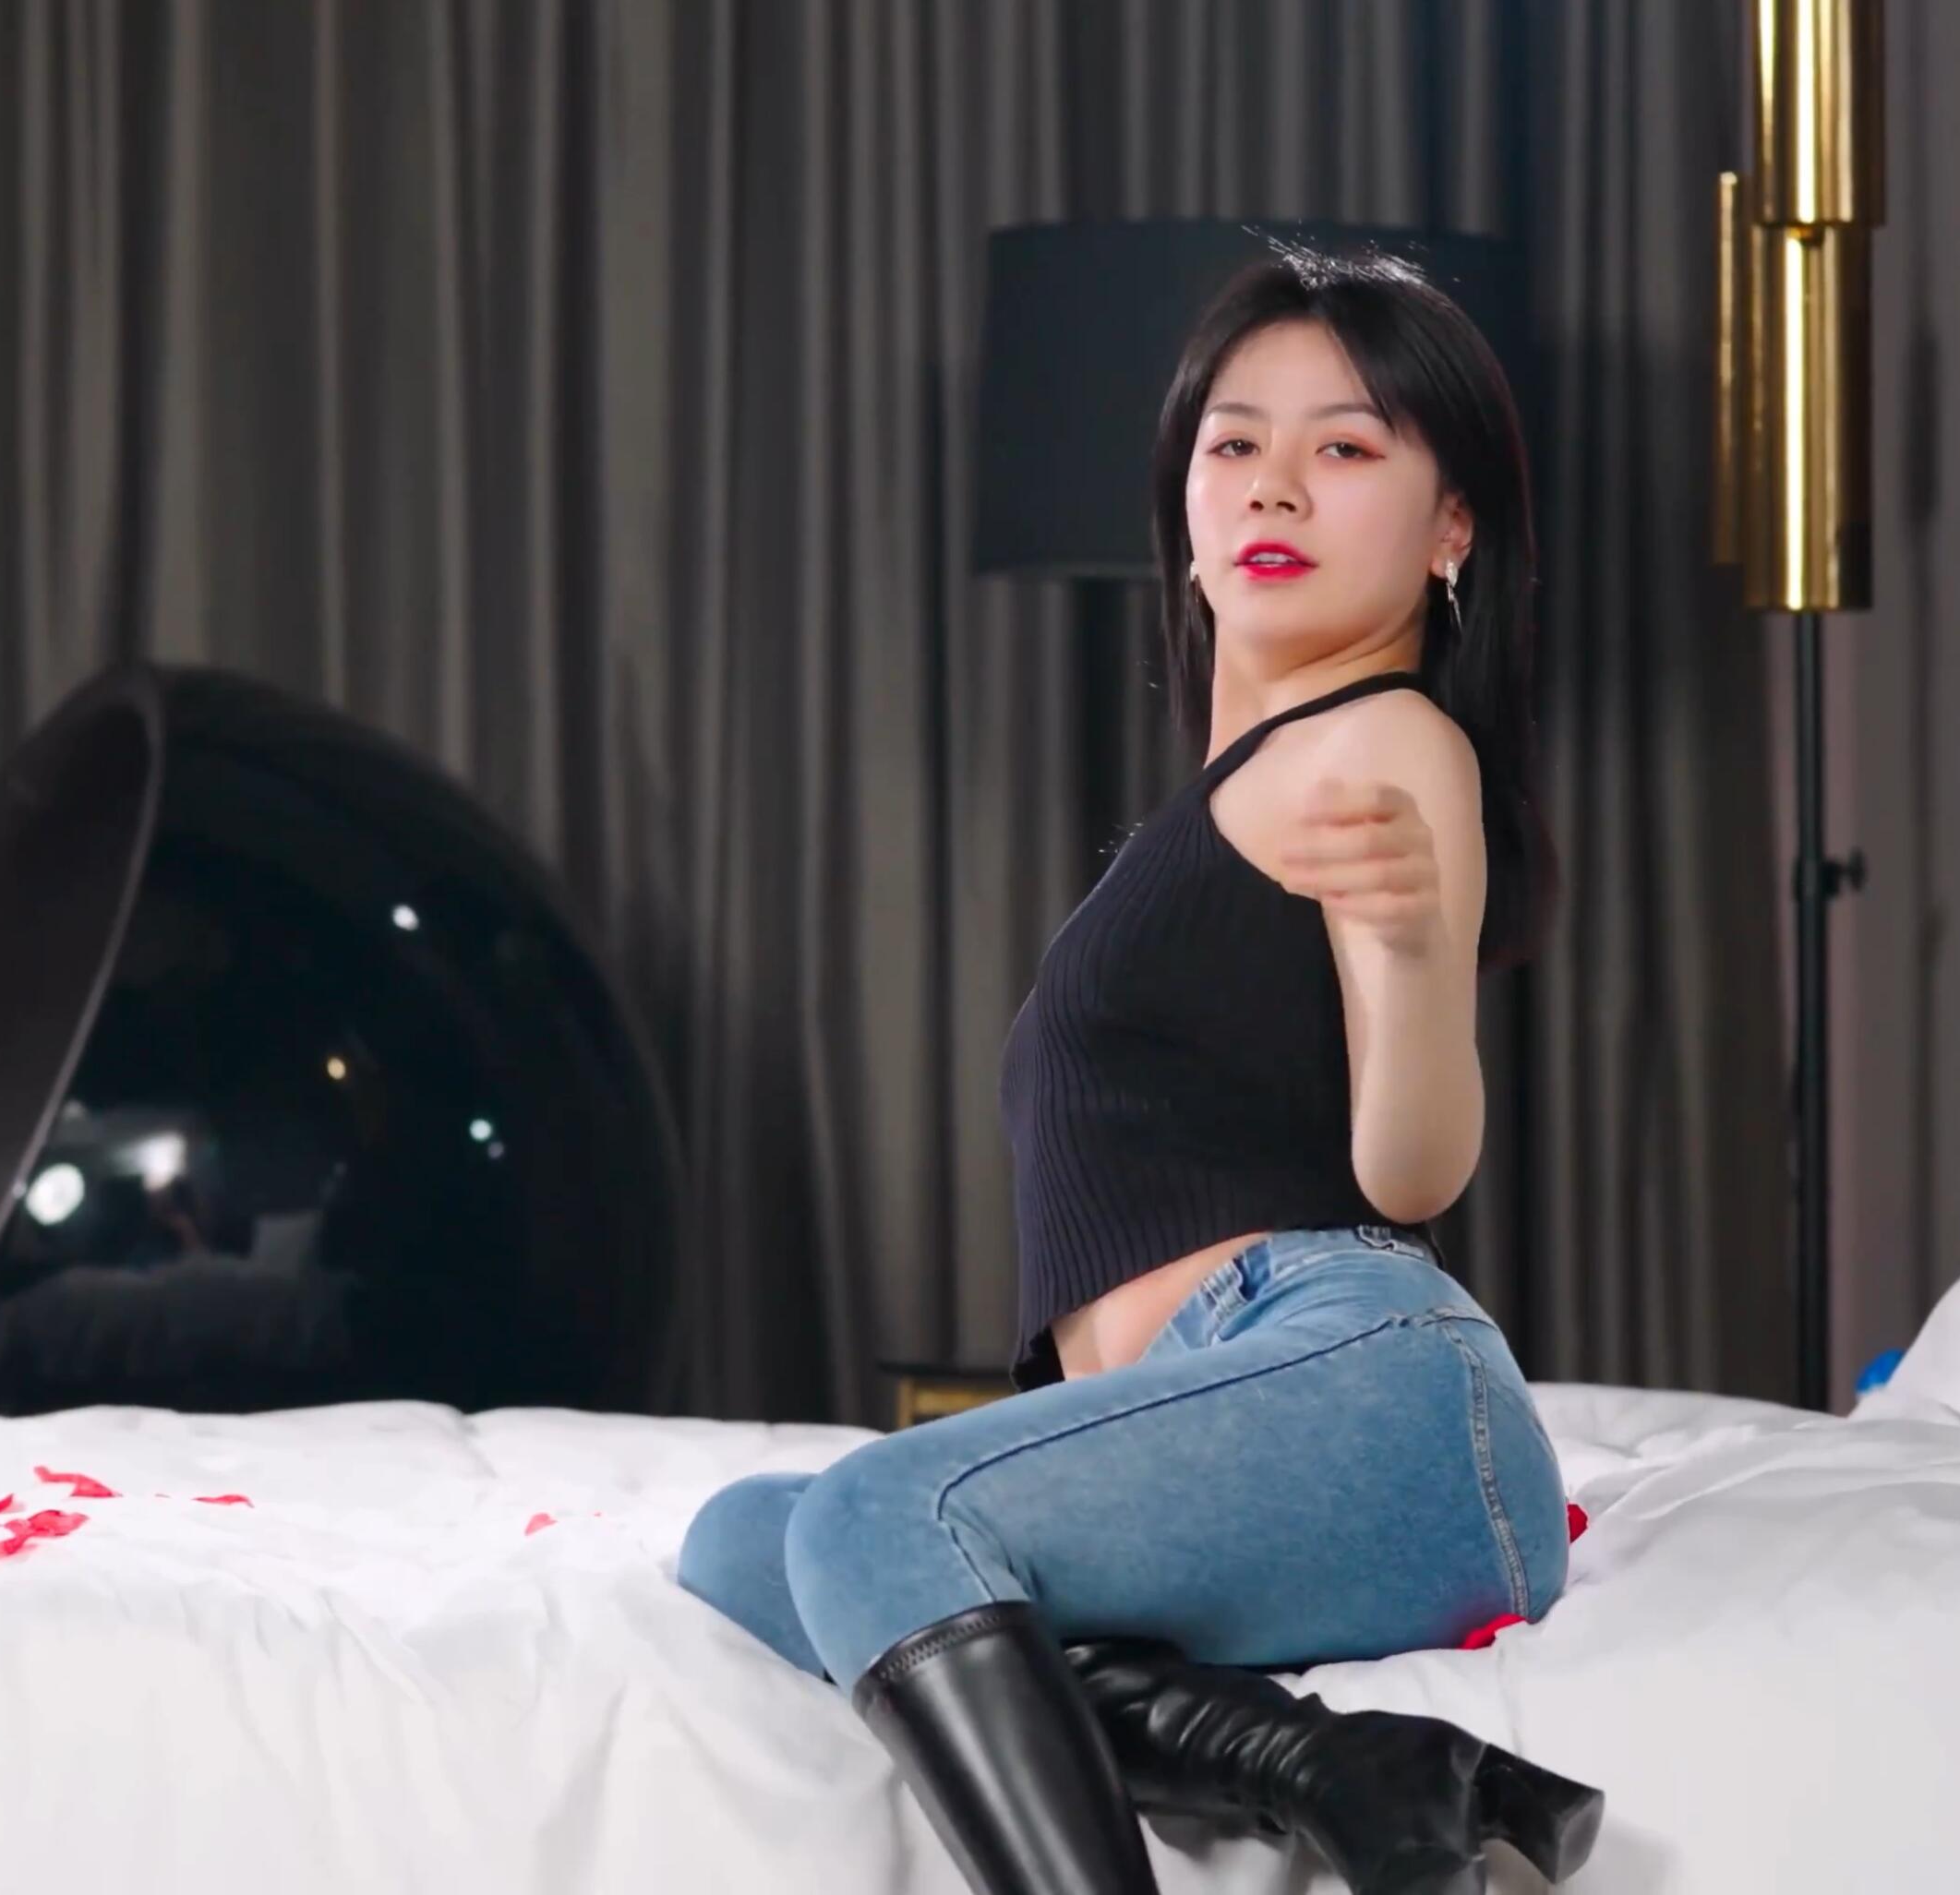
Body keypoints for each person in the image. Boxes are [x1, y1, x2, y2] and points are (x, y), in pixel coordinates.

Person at [675, 242, 1604, 1895]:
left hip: (1362, 1387)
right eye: (1235, 442)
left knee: (871, 1518)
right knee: (749, 1536)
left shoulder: (1383, 742)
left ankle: (1307, 1781)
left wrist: (1411, 956)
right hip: (1244, 1411)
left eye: (1347, 445)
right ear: (1184, 497)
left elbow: (1410, 1172)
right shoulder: (1226, 795)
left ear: (1451, 527)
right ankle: (1335, 1765)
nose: (1276, 484)